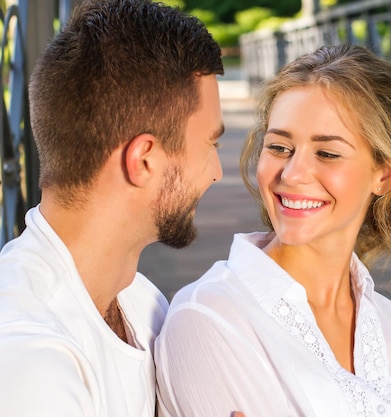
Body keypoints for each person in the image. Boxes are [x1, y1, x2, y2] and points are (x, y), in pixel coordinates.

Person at [156, 44, 391, 416]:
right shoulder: (209, 322)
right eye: (279, 147)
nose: (292, 174)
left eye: (327, 153)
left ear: (383, 174)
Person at [0, 1, 224, 416]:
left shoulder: (142, 302)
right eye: (210, 144)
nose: (216, 171)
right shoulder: (26, 357)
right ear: (144, 161)